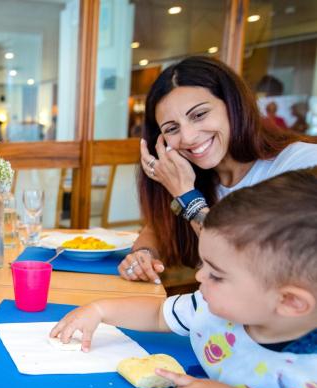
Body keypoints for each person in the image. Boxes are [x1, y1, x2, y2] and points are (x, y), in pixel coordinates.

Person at [51, 168, 317, 388]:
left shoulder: (308, 374)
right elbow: (157, 315)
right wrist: (100, 310)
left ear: (290, 302)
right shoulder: (214, 308)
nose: (200, 277)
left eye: (217, 275)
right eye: (204, 265)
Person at [120, 56, 317, 284]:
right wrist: (144, 254)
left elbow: (240, 267)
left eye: (199, 115)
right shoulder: (196, 176)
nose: (188, 137)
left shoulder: (301, 163)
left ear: (233, 105)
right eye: (172, 128)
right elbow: (158, 228)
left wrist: (186, 196)